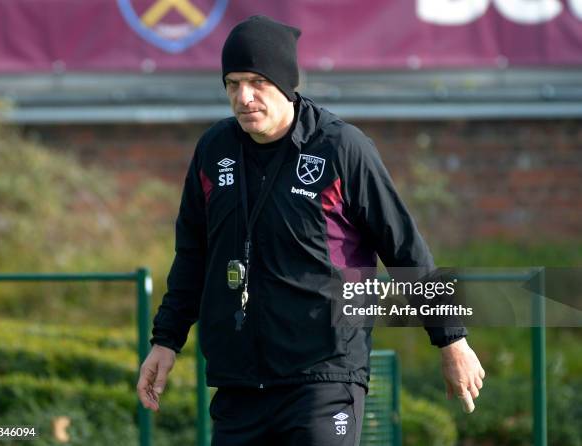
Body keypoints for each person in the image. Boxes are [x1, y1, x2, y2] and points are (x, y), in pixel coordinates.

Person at [137, 15, 485, 446]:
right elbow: (192, 255)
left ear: (285, 82)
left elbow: (405, 248)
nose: (243, 97)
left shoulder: (341, 149)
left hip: (324, 378)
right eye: (232, 84)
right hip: (240, 384)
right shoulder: (214, 151)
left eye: (257, 82)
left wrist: (452, 340)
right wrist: (166, 341)